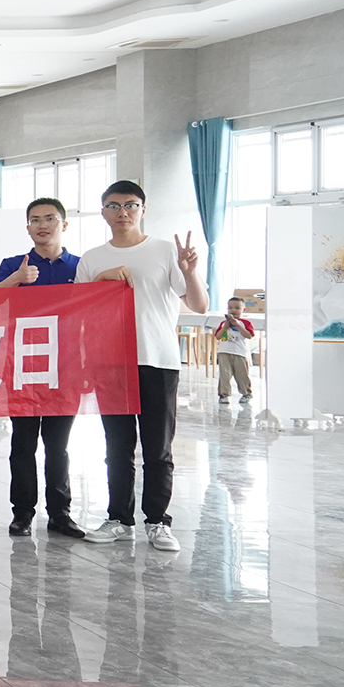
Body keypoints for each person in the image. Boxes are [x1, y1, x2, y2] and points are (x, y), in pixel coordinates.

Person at [77, 180, 208, 552]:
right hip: (110, 362)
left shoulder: (166, 251)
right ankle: (119, 519)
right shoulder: (92, 258)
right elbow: (79, 311)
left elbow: (199, 305)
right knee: (117, 447)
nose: (123, 213)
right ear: (103, 212)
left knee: (158, 448)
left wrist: (190, 271)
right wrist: (100, 280)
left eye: (131, 205)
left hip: (157, 360)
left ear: (143, 209)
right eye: (114, 206)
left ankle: (158, 521)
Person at [0, 197, 85, 539]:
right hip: (23, 367)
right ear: (28, 227)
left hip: (67, 368)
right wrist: (16, 279)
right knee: (23, 443)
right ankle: (22, 513)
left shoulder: (81, 266)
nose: (42, 225)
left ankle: (60, 513)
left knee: (58, 446)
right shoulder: (12, 265)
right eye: (35, 220)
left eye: (49, 218)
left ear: (64, 224)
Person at [213, 296, 256, 405]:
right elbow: (218, 336)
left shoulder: (245, 323)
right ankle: (224, 394)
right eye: (230, 308)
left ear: (243, 310)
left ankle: (246, 393)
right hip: (224, 352)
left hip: (239, 353)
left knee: (242, 374)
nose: (233, 310)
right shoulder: (223, 323)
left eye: (237, 308)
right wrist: (225, 327)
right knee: (224, 374)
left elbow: (249, 335)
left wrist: (238, 325)